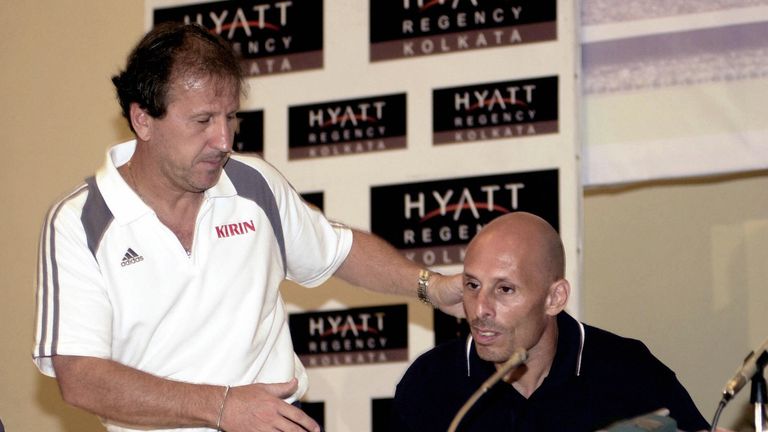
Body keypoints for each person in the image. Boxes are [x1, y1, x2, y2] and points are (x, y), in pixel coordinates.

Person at [33, 22, 462, 432]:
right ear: (143, 119)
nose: (223, 140)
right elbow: (81, 376)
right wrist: (222, 407)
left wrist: (432, 286)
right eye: (202, 121)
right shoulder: (79, 222)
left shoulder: (253, 183)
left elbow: (337, 252)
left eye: (230, 117)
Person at [391, 212, 711, 432]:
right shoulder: (431, 382)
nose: (480, 309)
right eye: (472, 286)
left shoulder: (627, 371)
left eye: (505, 289)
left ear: (554, 298)